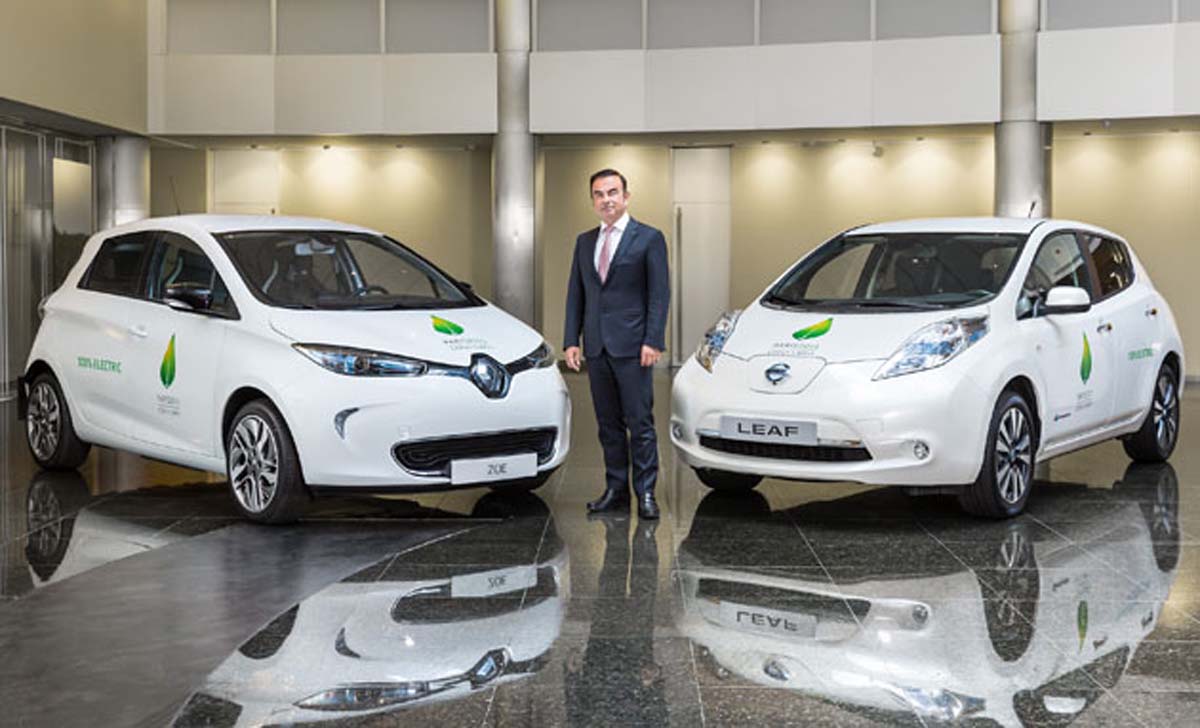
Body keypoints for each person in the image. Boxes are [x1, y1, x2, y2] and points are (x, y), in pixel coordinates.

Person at [563, 168, 669, 520]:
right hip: (596, 347)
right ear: (592, 200)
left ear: (626, 196)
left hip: (633, 346)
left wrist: (653, 339)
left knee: (640, 423)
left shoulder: (649, 238)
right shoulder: (583, 242)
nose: (606, 199)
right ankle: (616, 490)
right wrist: (571, 340)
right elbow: (576, 294)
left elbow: (659, 295)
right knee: (608, 425)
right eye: (599, 194)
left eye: (612, 192)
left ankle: (646, 492)